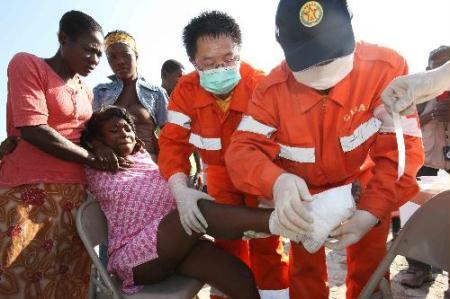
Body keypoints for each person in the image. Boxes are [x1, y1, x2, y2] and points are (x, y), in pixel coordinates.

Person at [225, 1, 424, 298]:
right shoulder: (270, 92)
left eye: (330, 53)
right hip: (306, 195)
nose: (323, 69)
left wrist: (370, 212)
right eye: (311, 60)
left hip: (366, 185)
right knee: (305, 269)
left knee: (371, 268)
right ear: (283, 45)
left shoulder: (386, 69)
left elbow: (401, 151)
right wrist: (277, 181)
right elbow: (242, 151)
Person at [82, 106, 299, 298]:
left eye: (127, 128)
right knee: (198, 209)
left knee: (238, 275)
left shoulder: (142, 158)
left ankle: (282, 221)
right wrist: (94, 150)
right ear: (97, 140)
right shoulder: (94, 165)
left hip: (177, 242)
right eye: (114, 130)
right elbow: (73, 143)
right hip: (137, 256)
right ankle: (289, 220)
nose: (124, 134)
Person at [158, 11, 289, 299]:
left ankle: (275, 295)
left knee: (268, 242)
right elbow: (172, 144)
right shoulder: (185, 90)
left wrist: (274, 189)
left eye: (229, 59)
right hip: (218, 176)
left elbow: (283, 138)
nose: (221, 68)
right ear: (194, 62)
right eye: (209, 63)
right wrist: (179, 188)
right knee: (226, 246)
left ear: (239, 53)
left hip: (259, 174)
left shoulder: (260, 84)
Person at [0, 10, 106, 298]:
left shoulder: (86, 91)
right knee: (16, 272)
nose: (95, 60)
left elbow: (86, 135)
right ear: (63, 39)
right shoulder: (28, 64)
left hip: (75, 195)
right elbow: (34, 128)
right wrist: (91, 159)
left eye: (99, 55)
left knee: (68, 275)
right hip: (29, 190)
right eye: (89, 50)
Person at [399, 46, 450, 290]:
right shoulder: (418, 93)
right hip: (425, 164)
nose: (434, 71)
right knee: (411, 208)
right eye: (432, 66)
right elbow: (402, 124)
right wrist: (430, 116)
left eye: (443, 66)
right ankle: (418, 268)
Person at [93, 30, 168, 162]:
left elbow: (171, 136)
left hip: (150, 165)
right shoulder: (100, 92)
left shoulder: (156, 93)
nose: (120, 61)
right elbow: (89, 131)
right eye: (112, 57)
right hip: (113, 168)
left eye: (125, 55)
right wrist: (99, 146)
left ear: (136, 56)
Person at [382, 57, 450, 116]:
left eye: (447, 62)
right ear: (428, 68)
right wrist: (431, 115)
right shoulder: (421, 93)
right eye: (439, 64)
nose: (442, 66)